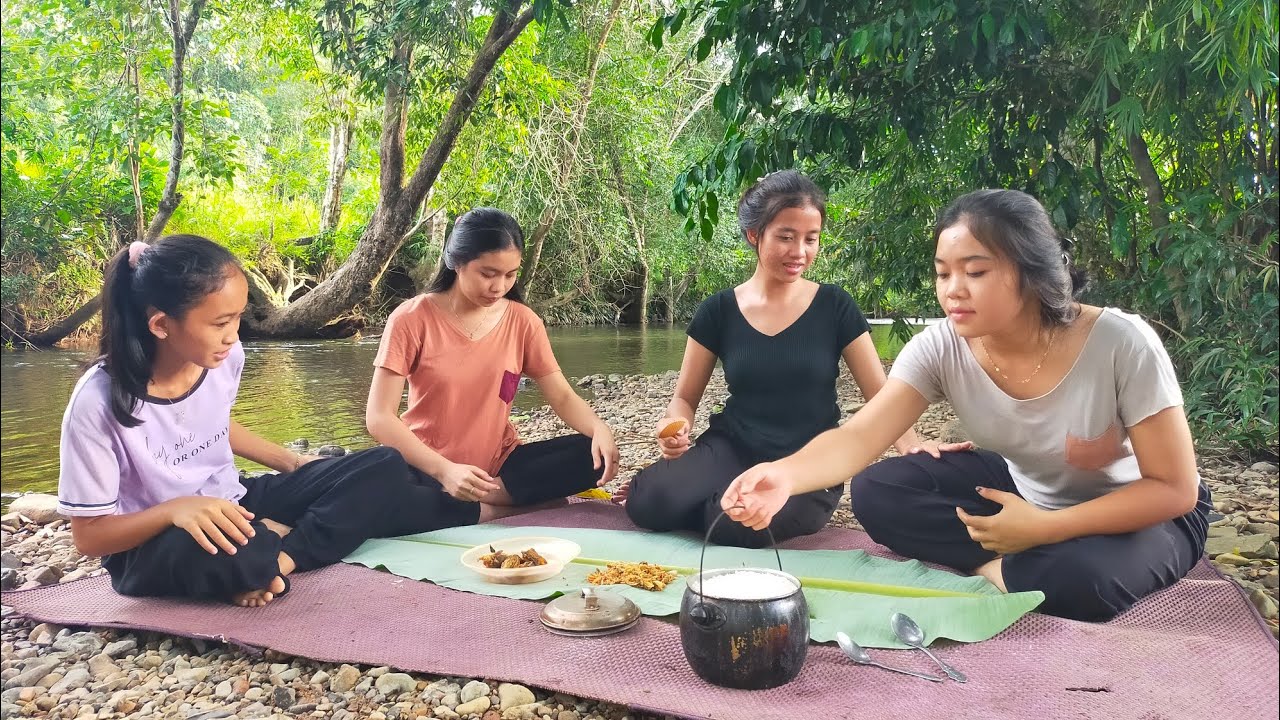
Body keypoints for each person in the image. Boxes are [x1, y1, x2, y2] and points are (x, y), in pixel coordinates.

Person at [722, 189, 1211, 621]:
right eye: (943, 274)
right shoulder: (941, 346)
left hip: (1143, 513)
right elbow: (859, 437)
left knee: (1080, 582)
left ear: (1032, 271)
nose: (952, 290)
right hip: (1024, 490)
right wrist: (783, 476)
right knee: (877, 489)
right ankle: (1007, 567)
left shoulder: (1121, 342)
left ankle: (1018, 563)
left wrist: (1047, 529)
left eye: (974, 271)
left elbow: (1174, 488)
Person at [58, 235, 419, 607]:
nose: (233, 336)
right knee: (234, 552)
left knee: (384, 464)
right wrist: (176, 509)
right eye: (220, 323)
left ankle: (279, 557)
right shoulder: (97, 402)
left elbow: (215, 424)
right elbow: (90, 537)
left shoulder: (224, 357)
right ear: (161, 325)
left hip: (233, 500)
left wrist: (293, 464)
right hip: (156, 542)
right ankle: (273, 547)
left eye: (238, 318)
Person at [619, 171, 927, 548]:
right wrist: (676, 426)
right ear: (754, 235)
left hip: (807, 462)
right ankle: (707, 495)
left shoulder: (835, 306)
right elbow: (684, 398)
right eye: (786, 236)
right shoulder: (718, 310)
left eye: (810, 239)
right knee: (649, 501)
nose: (800, 251)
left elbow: (882, 396)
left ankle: (715, 502)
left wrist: (913, 447)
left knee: (732, 523)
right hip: (732, 445)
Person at [365, 207, 620, 526]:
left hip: (500, 468)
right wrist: (445, 471)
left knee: (591, 455)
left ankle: (472, 503)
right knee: (378, 492)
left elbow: (563, 397)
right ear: (456, 261)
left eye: (510, 275)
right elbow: (378, 417)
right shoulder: (411, 319)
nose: (499, 286)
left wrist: (600, 429)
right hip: (426, 466)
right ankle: (498, 509)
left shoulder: (523, 322)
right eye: (488, 273)